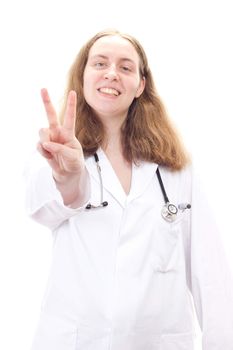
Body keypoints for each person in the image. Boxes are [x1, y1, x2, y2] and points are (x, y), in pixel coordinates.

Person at [25, 30, 233, 350]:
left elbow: (210, 272)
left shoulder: (176, 168)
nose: (112, 73)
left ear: (140, 85)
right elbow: (43, 207)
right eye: (100, 63)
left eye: (125, 67)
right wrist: (68, 179)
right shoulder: (56, 153)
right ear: (83, 77)